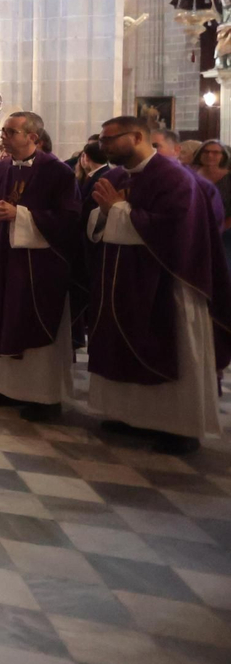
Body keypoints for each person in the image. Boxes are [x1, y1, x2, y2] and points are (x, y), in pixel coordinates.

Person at [85, 116, 231, 454]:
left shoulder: (174, 177)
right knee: (122, 342)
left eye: (110, 139)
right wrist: (107, 213)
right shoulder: (118, 176)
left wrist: (118, 210)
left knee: (170, 347)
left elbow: (177, 230)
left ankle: (178, 427)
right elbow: (96, 220)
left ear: (137, 137)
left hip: (169, 282)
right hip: (123, 280)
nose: (103, 146)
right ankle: (127, 415)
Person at [0, 112, 81, 421]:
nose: (4, 136)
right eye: (4, 130)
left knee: (31, 323)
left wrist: (23, 216)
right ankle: (3, 387)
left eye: (11, 131)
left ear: (33, 137)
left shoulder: (59, 173)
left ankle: (44, 397)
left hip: (36, 268)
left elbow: (69, 220)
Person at [191, 138, 231, 270]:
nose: (210, 155)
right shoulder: (189, 174)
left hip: (224, 228)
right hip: (193, 227)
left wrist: (219, 229)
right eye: (206, 152)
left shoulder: (229, 178)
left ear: (223, 156)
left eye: (215, 152)